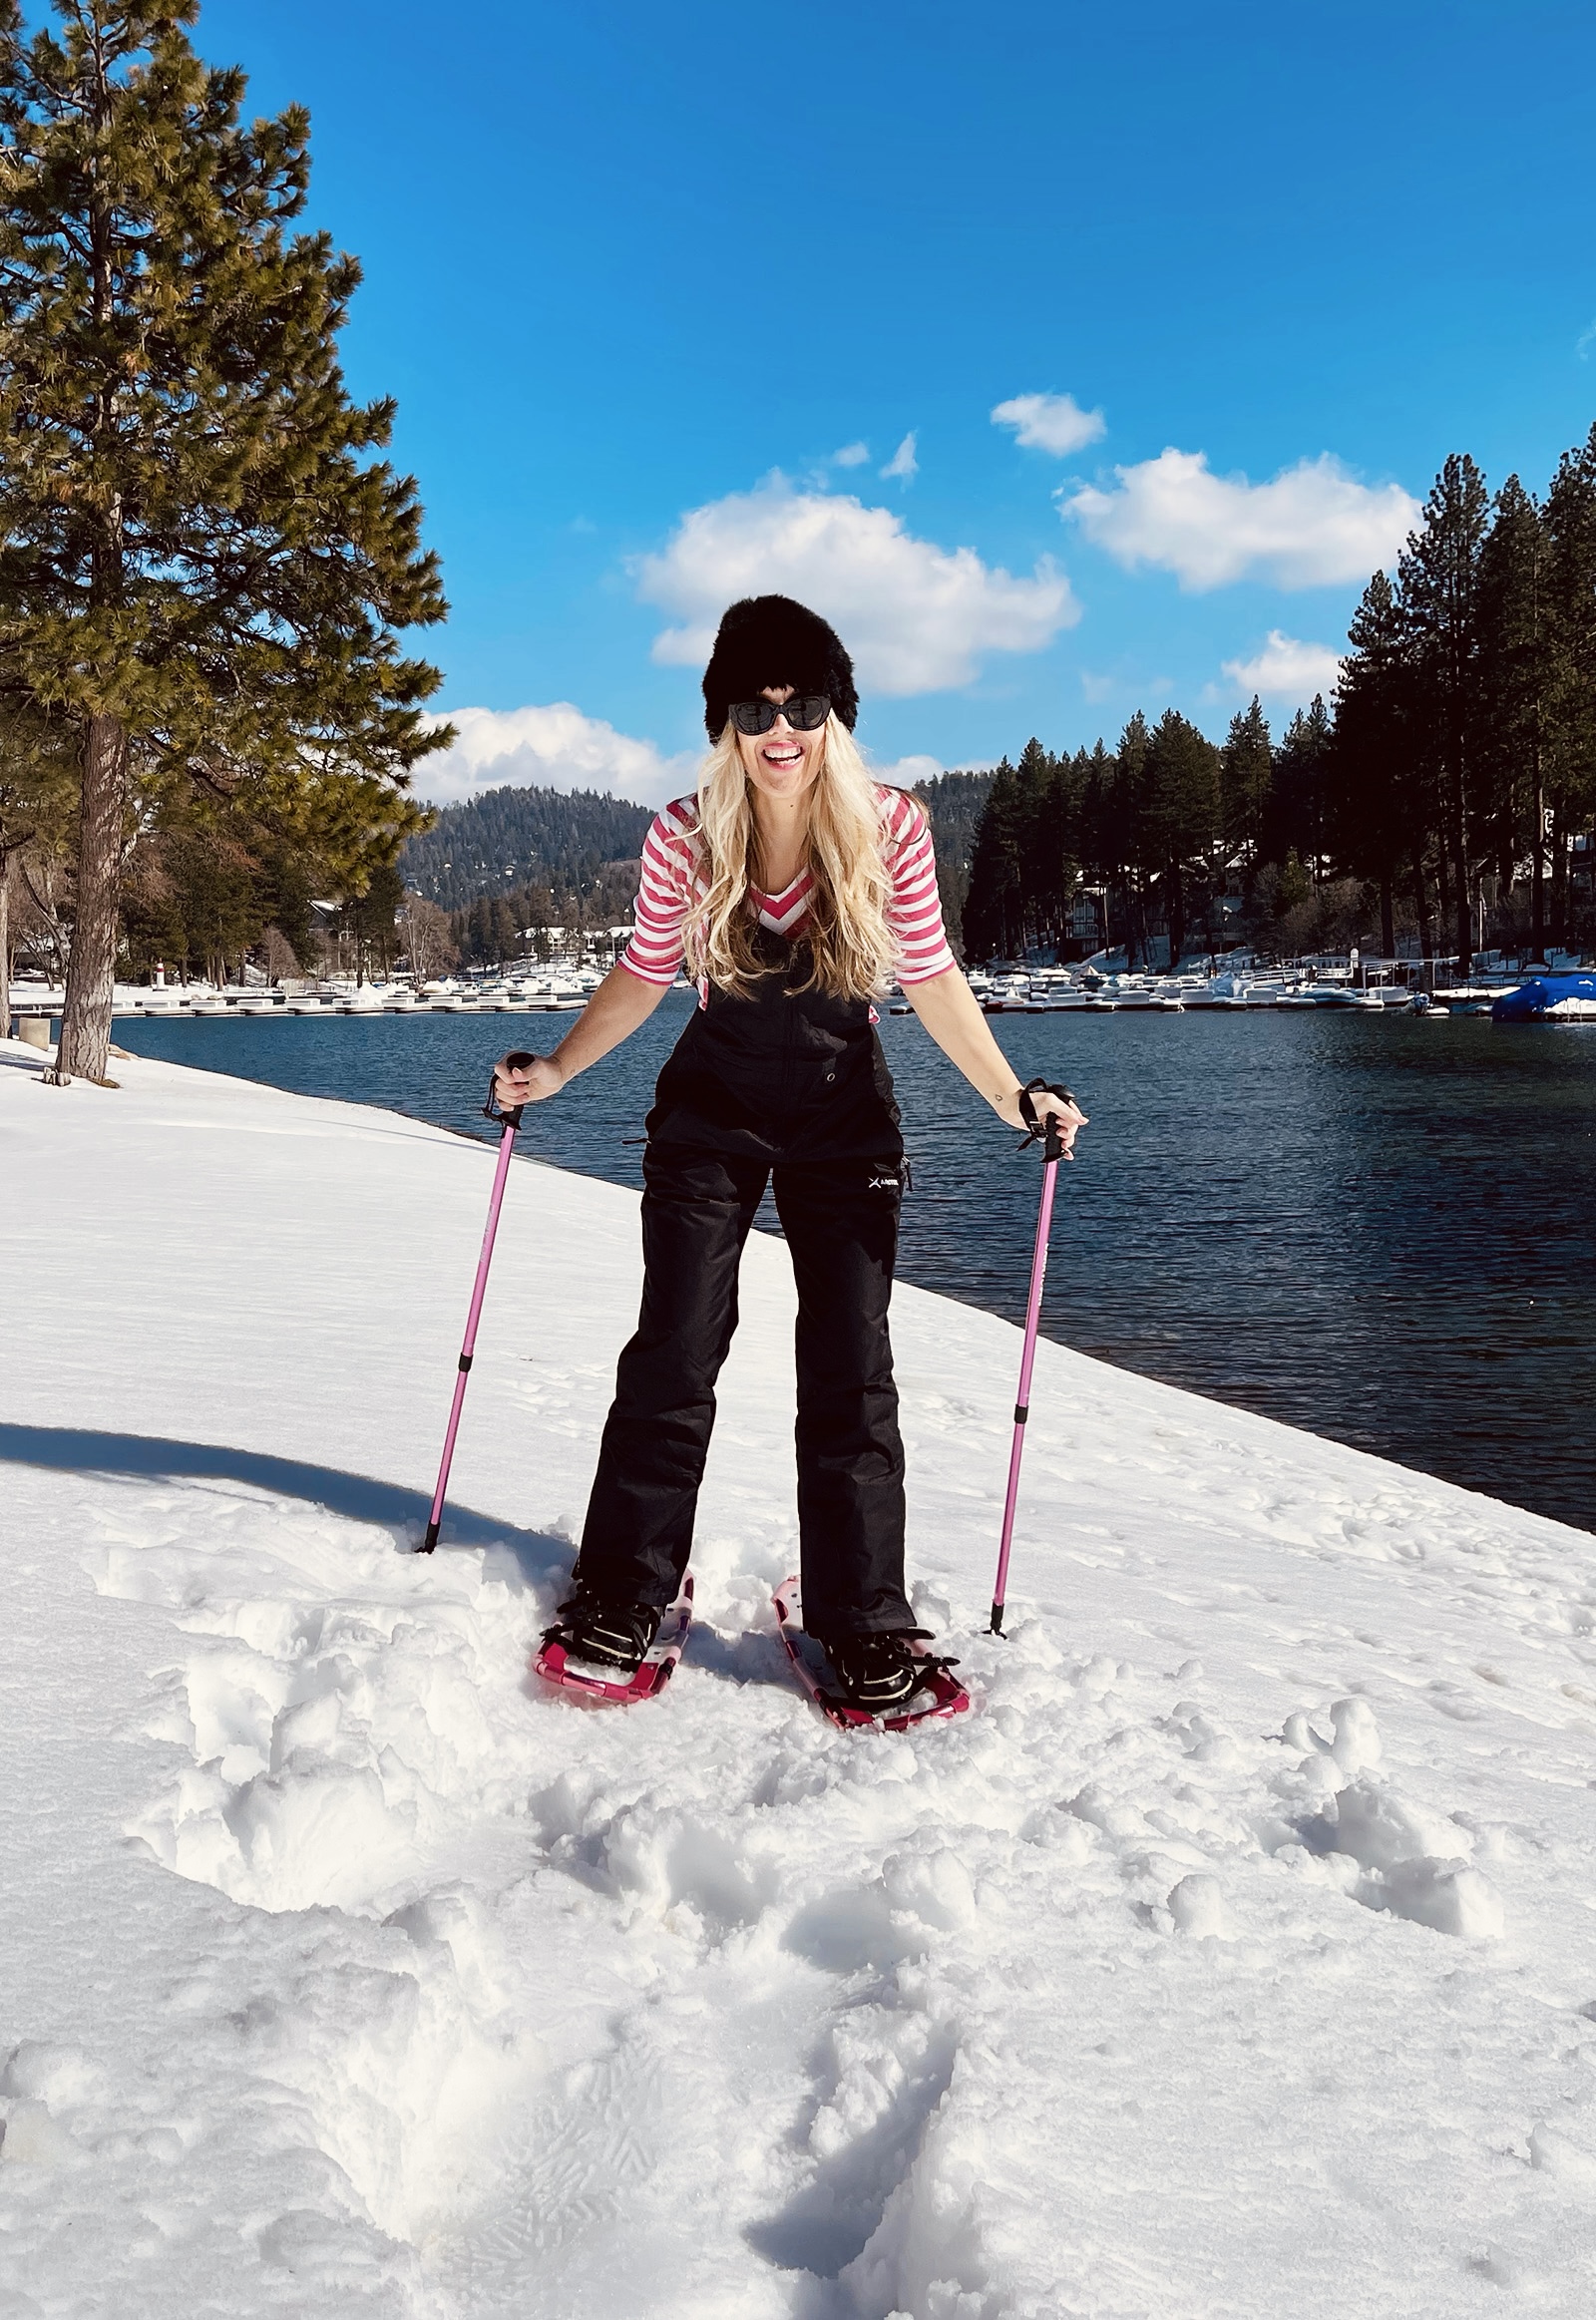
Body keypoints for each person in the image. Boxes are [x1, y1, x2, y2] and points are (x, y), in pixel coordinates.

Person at [495, 594, 1084, 1711]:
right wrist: (559, 1070)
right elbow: (640, 974)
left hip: (839, 1112)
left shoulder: (890, 826)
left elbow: (932, 978)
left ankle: (861, 1615)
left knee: (850, 1366)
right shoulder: (684, 833)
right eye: (753, 705)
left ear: (834, 713)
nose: (780, 728)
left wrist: (1014, 1096)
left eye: (803, 703)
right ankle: (627, 1585)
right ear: (722, 718)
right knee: (675, 1345)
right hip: (710, 1110)